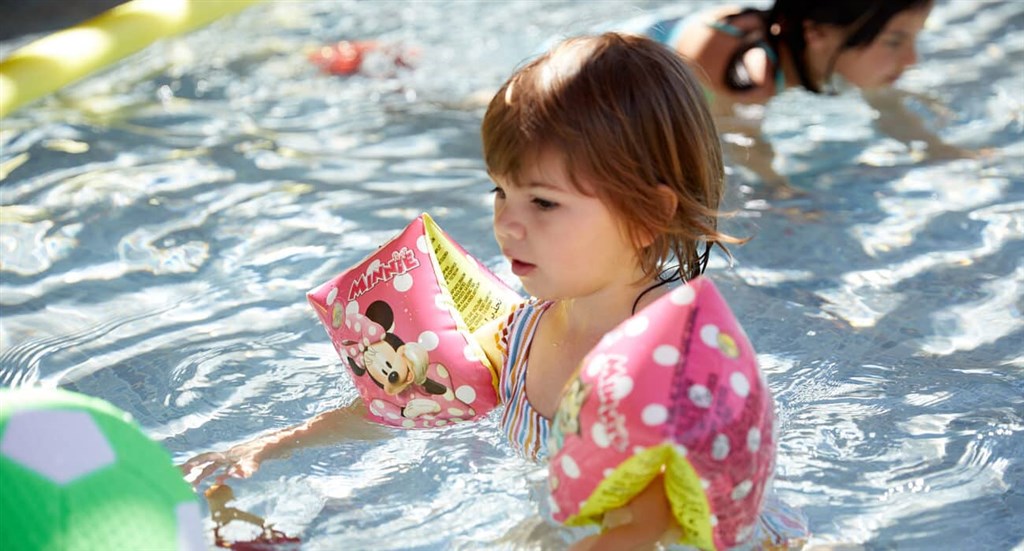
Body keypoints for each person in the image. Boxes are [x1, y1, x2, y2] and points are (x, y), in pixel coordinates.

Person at [182, 31, 803, 549]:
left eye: (543, 202)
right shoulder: (523, 331)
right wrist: (272, 448)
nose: (507, 223)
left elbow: (641, 528)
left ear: (648, 215)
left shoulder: (667, 367)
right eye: (500, 191)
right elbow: (406, 404)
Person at [637, 0, 968, 187]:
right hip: (664, 65)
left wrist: (937, 148)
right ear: (817, 33)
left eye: (915, 38)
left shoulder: (826, 46)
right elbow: (739, 148)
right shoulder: (750, 79)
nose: (912, 59)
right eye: (894, 41)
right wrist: (782, 190)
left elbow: (887, 105)